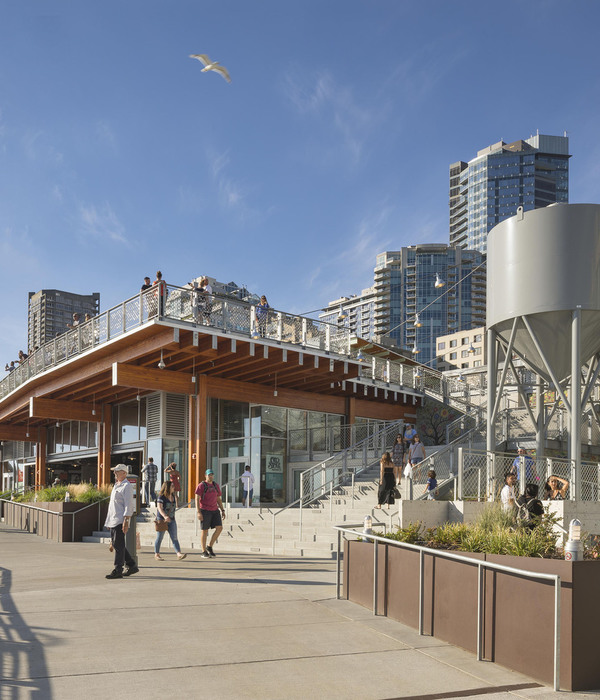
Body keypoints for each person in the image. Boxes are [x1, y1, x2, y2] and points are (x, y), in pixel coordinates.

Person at [104, 464, 139, 579]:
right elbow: (112, 505)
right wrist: (109, 521)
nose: (115, 473)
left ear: (124, 473)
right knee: (117, 544)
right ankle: (131, 564)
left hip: (120, 519)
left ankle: (118, 569)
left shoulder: (127, 486)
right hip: (113, 518)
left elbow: (129, 504)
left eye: (117, 471)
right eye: (114, 471)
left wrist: (126, 520)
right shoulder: (116, 485)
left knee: (118, 545)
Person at [195, 468, 225, 558]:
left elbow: (218, 499)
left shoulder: (216, 485)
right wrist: (198, 512)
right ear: (205, 476)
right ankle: (203, 551)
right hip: (205, 510)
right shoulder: (201, 485)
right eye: (209, 475)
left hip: (215, 510)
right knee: (205, 530)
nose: (210, 476)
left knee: (219, 528)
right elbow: (197, 498)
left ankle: (209, 546)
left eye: (212, 474)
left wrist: (223, 510)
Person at [154, 481, 187, 561]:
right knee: (159, 537)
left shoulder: (173, 496)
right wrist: (165, 516)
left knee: (174, 537)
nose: (173, 487)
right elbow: (159, 508)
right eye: (172, 486)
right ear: (167, 487)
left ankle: (179, 554)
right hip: (162, 520)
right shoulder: (161, 497)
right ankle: (157, 554)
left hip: (172, 519)